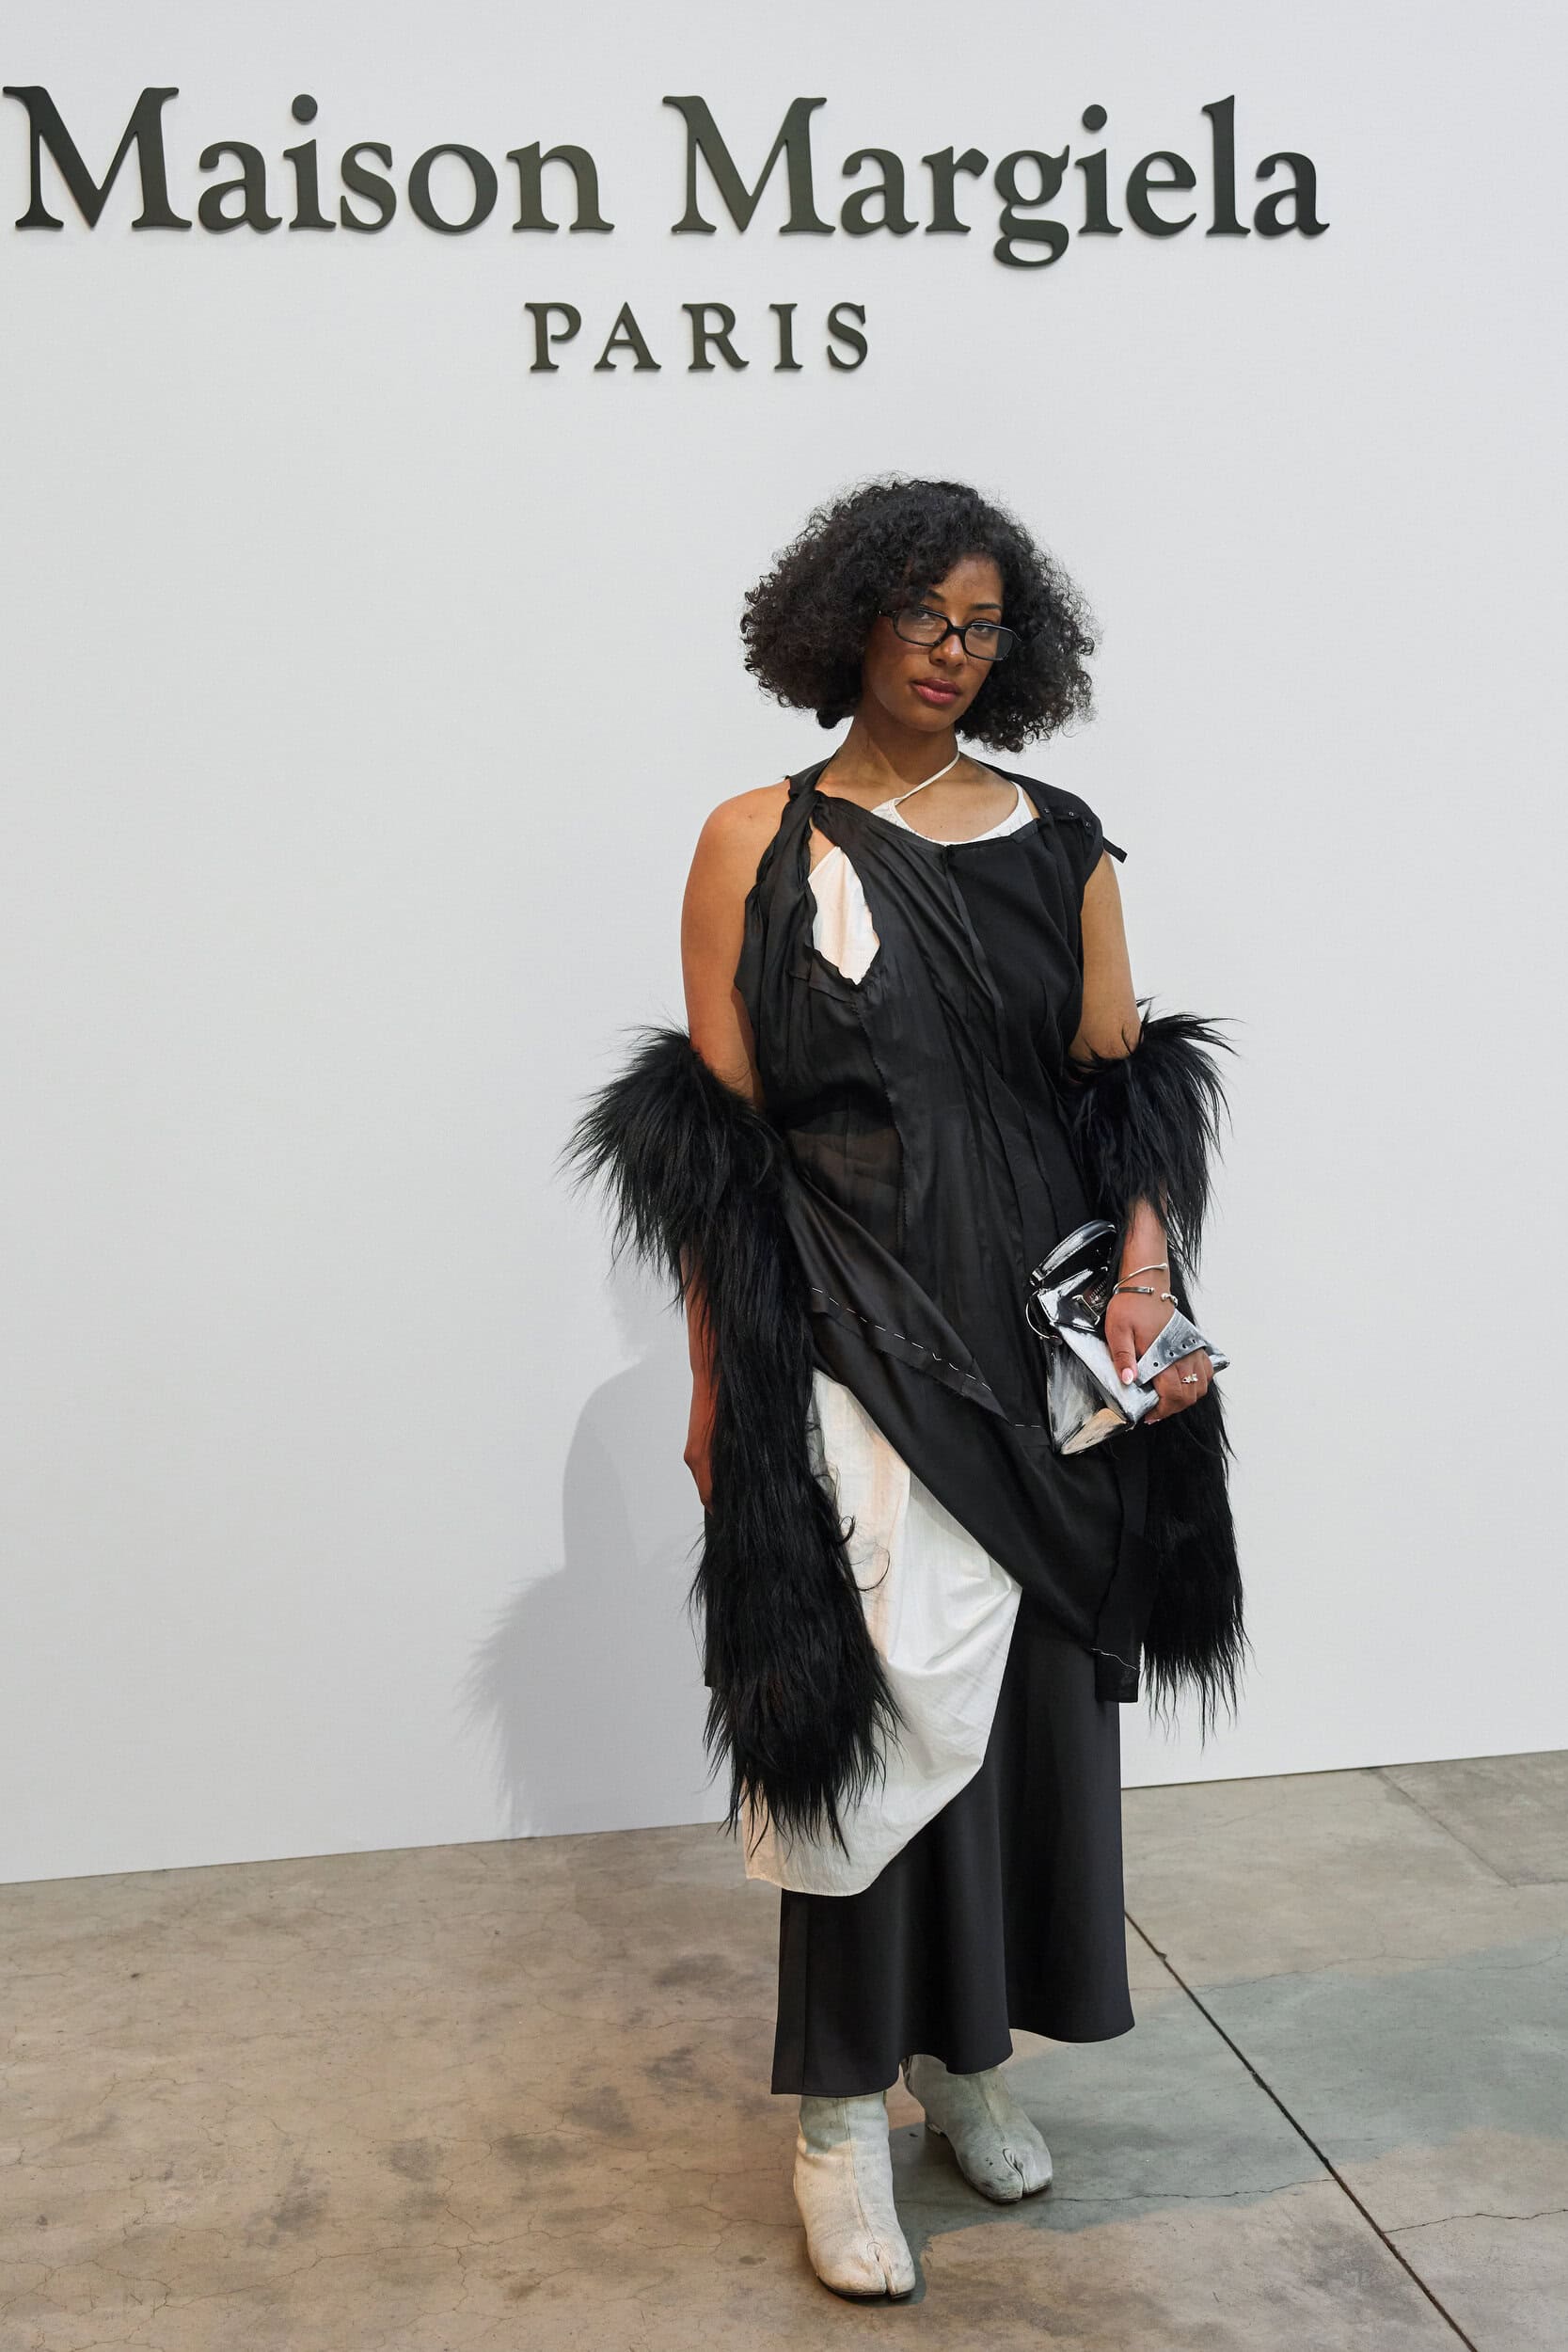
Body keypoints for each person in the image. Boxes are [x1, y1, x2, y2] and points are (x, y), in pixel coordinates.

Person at [563, 474, 1243, 2303]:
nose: (953, 652)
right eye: (925, 615)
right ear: (847, 617)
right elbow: (720, 1152)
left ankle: (968, 2060)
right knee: (870, 1723)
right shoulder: (751, 839)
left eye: (984, 627)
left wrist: (1146, 1288)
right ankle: (837, 2116)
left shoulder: (1064, 839)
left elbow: (1121, 1095)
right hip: (849, 1322)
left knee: (1021, 1716)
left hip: (1036, 1341)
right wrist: (717, 1381)